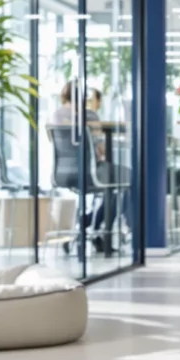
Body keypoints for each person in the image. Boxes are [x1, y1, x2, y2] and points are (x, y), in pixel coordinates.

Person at [52, 83, 128, 255]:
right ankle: (98, 231)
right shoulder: (90, 115)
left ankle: (84, 227)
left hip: (63, 174)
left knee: (112, 184)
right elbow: (101, 149)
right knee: (127, 179)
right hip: (91, 172)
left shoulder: (56, 116)